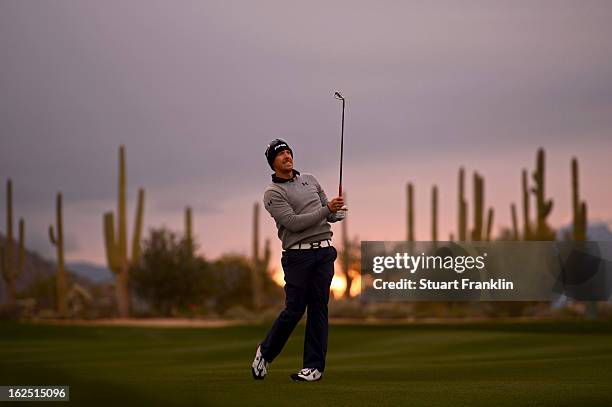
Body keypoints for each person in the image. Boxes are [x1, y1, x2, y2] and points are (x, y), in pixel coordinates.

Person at [251, 138, 346, 382]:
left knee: (318, 310)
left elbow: (329, 214)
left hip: (324, 252)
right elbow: (293, 222)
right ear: (273, 164)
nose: (286, 156)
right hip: (298, 256)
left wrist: (337, 211)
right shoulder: (273, 193)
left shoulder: (311, 180)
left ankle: (313, 368)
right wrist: (327, 209)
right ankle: (266, 352)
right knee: (294, 310)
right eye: (280, 154)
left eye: (288, 152)